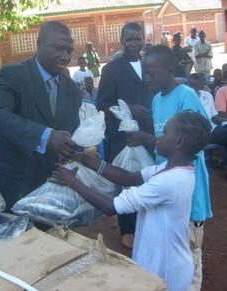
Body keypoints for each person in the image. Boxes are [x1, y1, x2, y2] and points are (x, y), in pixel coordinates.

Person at [52, 111, 211, 291]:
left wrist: (72, 181)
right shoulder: (171, 170)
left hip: (166, 270)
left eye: (165, 132)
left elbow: (111, 207)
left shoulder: (169, 181)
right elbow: (126, 178)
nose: (159, 137)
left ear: (179, 142)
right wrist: (85, 159)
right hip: (163, 263)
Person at [125, 45, 212, 290]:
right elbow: (164, 144)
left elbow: (196, 145)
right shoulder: (156, 99)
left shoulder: (186, 95)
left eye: (152, 73)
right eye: (145, 73)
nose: (147, 78)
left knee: (189, 252)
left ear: (170, 70)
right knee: (168, 252)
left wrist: (147, 139)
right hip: (164, 186)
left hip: (187, 193)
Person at [0, 21, 80, 213]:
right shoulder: (14, 75)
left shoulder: (72, 90)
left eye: (69, 50)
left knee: (52, 240)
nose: (65, 56)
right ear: (39, 44)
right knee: (17, 240)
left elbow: (71, 132)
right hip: (17, 184)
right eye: (59, 48)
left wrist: (74, 154)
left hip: (55, 185)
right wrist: (46, 136)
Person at [96, 22, 154, 249]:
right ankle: (128, 229)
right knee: (126, 182)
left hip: (149, 134)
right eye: (128, 39)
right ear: (121, 40)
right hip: (125, 138)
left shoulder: (150, 64)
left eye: (137, 39)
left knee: (148, 178)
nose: (133, 43)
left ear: (143, 39)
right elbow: (102, 104)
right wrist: (130, 108)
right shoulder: (111, 70)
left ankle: (148, 223)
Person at [187, 73, 227, 166]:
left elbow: (215, 116)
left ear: (202, 84)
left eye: (197, 85)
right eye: (191, 85)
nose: (194, 88)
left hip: (213, 128)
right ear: (188, 83)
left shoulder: (207, 95)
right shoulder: (186, 97)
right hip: (200, 133)